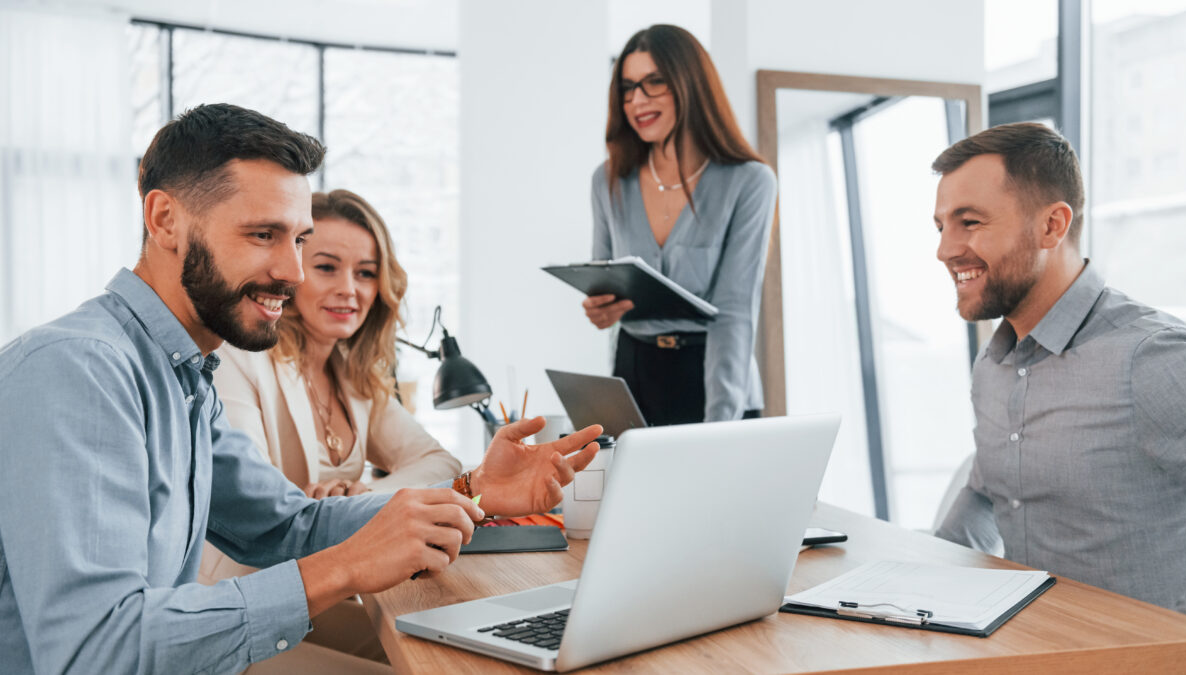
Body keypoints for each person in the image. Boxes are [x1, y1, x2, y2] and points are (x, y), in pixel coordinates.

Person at [0, 103, 601, 674]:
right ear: (165, 220)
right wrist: (344, 568)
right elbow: (94, 654)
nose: (291, 271)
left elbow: (289, 525)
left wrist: (470, 490)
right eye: (263, 235)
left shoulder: (184, 376)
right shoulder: (78, 370)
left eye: (296, 238)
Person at [931, 122, 1186, 616]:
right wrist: (918, 581)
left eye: (969, 222)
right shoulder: (993, 365)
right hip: (1033, 646)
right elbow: (988, 493)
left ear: (1052, 226)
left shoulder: (1154, 358)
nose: (945, 249)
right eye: (941, 225)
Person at [198, 188, 465, 663]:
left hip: (320, 596)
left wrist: (364, 495)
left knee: (451, 641)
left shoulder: (354, 373)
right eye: (327, 267)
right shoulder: (239, 359)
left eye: (365, 273)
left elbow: (438, 460)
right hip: (243, 606)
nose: (350, 288)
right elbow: (260, 509)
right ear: (291, 270)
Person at [584, 24, 777, 425]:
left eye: (654, 83)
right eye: (628, 87)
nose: (637, 100)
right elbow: (603, 281)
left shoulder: (748, 181)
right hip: (635, 368)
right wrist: (603, 310)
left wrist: (720, 422)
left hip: (712, 371)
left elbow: (735, 311)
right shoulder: (608, 180)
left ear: (690, 83)